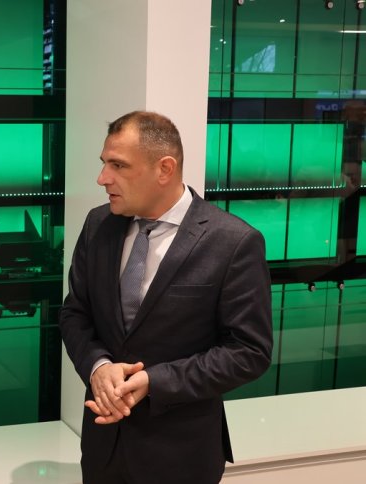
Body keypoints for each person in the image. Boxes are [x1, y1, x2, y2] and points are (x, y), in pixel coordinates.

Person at [59, 111, 273, 484]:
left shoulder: (233, 242)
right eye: (104, 163)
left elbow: (249, 352)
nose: (102, 178)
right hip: (103, 448)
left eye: (118, 165)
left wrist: (155, 382)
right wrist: (98, 367)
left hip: (181, 457)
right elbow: (75, 313)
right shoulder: (98, 225)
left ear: (165, 169)